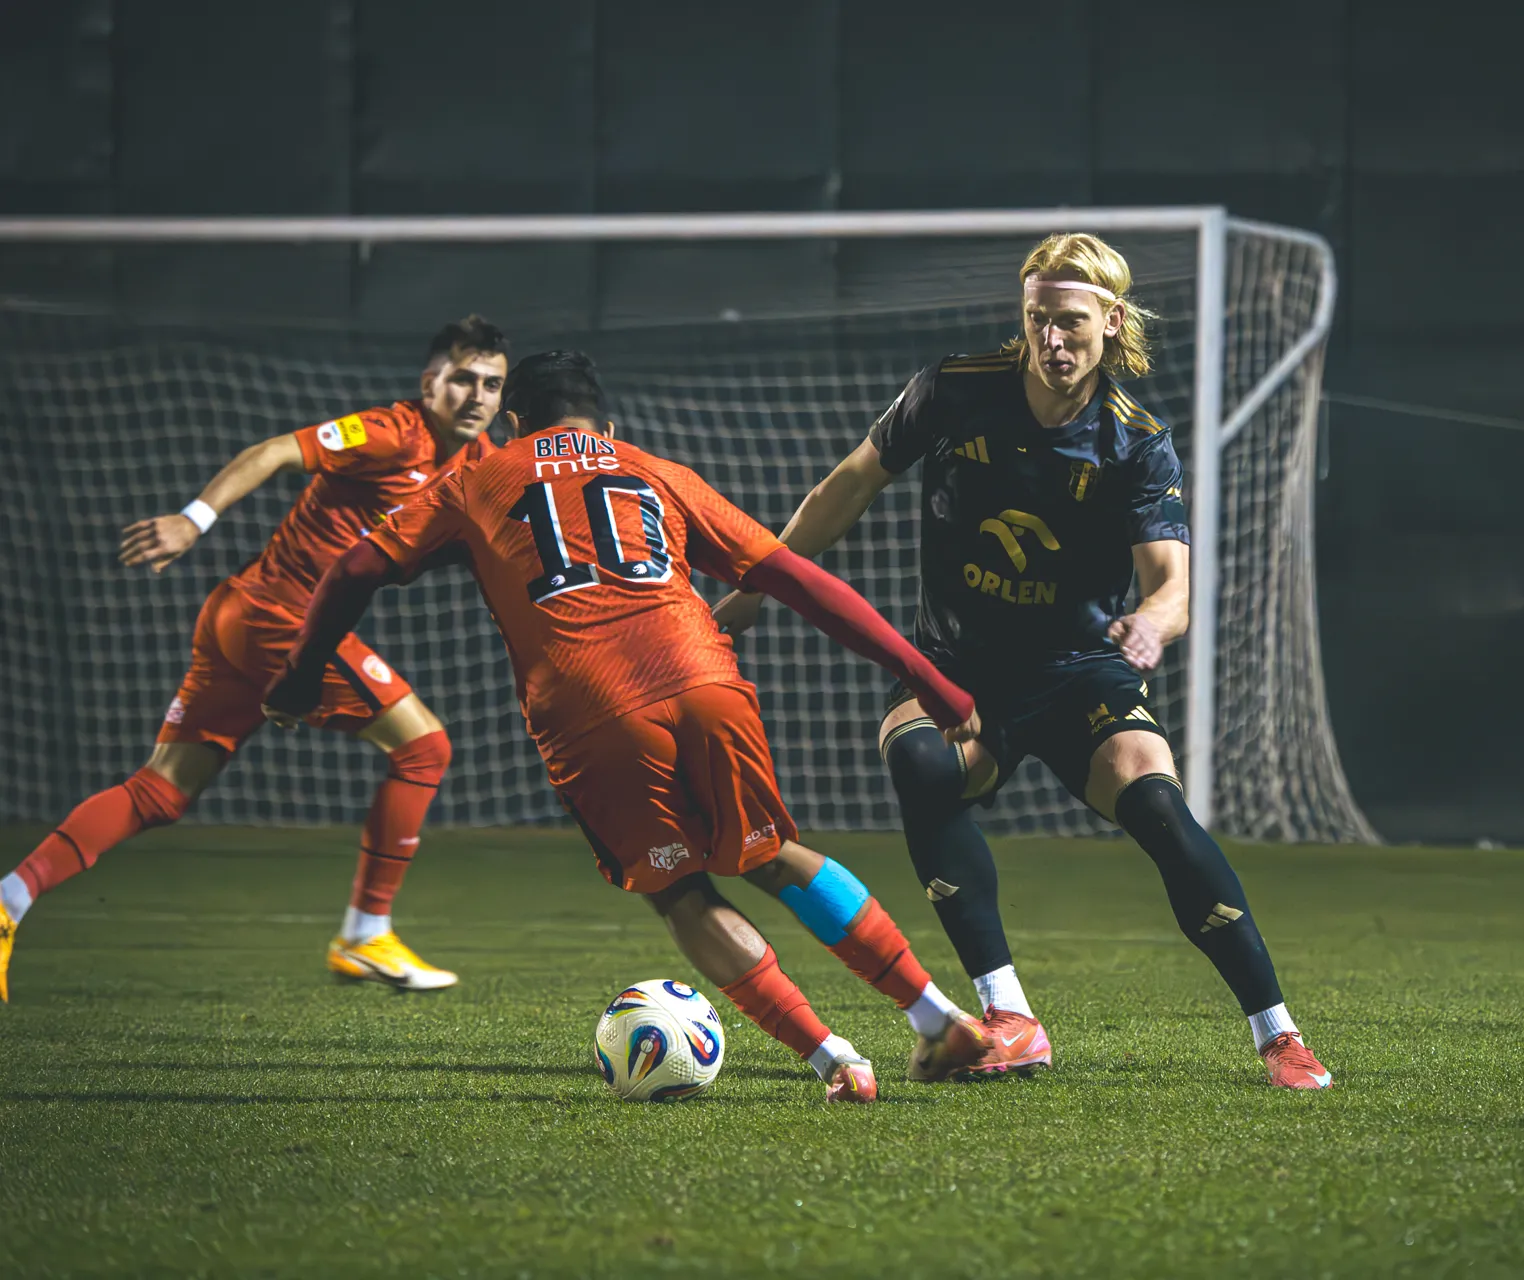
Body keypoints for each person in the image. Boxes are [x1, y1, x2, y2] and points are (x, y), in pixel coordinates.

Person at [262, 350, 989, 1102]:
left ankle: (833, 1059)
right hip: (706, 679)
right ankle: (935, 1017)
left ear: (514, 423)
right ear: (605, 427)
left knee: (676, 890)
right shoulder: (656, 470)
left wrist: (298, 676)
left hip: (593, 706)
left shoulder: (476, 478)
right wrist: (926, 677)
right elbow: (797, 580)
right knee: (772, 855)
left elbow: (354, 569)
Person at [712, 233, 1333, 1088]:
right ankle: (1008, 1014)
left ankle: (1278, 1035)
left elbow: (1173, 589)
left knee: (1159, 806)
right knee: (921, 766)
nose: (1051, 338)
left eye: (1071, 321)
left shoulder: (1135, 442)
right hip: (956, 670)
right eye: (1038, 317)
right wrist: (752, 588)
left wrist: (1151, 625)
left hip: (1079, 671)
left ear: (1111, 322)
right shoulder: (952, 391)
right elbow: (846, 487)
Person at [0, 316, 510, 1002]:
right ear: (430, 384)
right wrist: (192, 520)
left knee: (160, 791)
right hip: (280, 618)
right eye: (463, 379)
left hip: (239, 615)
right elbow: (273, 452)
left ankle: (8, 899)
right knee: (425, 748)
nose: (477, 395)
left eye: (491, 384)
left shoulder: (480, 465)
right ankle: (365, 934)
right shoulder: (392, 432)